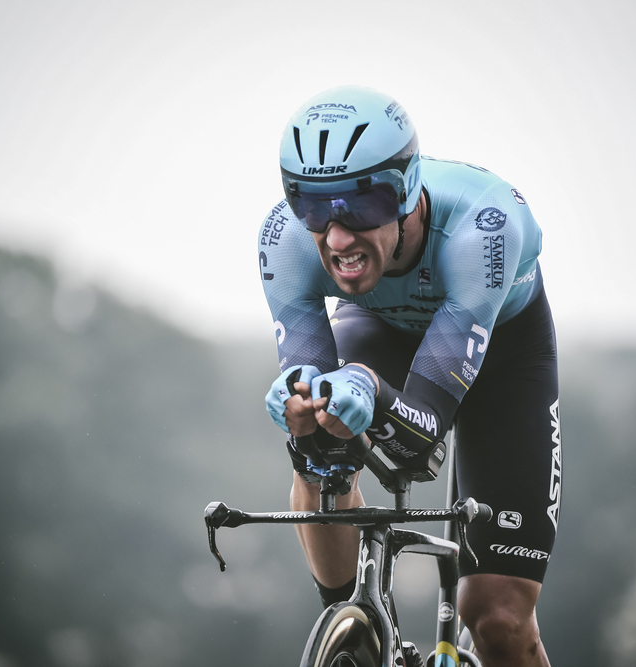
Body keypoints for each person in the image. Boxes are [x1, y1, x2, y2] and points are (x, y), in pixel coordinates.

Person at [261, 85, 560, 667]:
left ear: (405, 190)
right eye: (313, 207)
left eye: (361, 206)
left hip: (505, 357)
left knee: (497, 618)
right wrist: (301, 402)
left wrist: (369, 390)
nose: (337, 237)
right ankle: (354, 627)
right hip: (383, 331)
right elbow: (308, 386)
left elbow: (420, 438)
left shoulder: (482, 231)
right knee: (318, 438)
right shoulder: (285, 240)